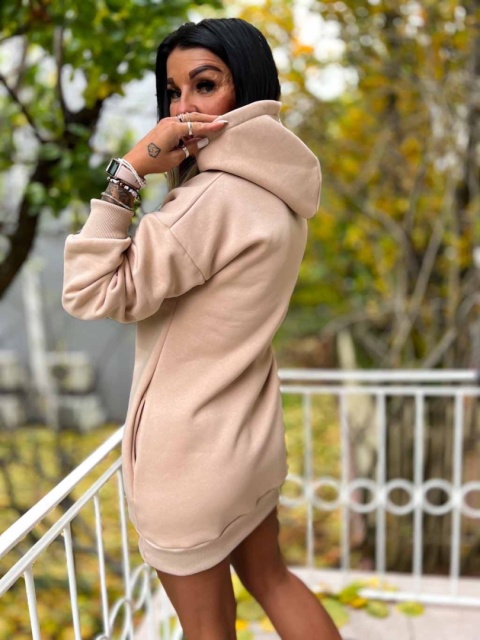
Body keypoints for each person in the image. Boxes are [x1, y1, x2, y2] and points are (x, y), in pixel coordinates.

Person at [62, 16, 341, 640]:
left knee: (207, 629)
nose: (182, 108)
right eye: (173, 91)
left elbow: (87, 291)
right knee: (273, 580)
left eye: (205, 85)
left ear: (246, 87)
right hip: (248, 439)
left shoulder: (210, 201)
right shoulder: (279, 191)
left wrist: (128, 173)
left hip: (188, 461)